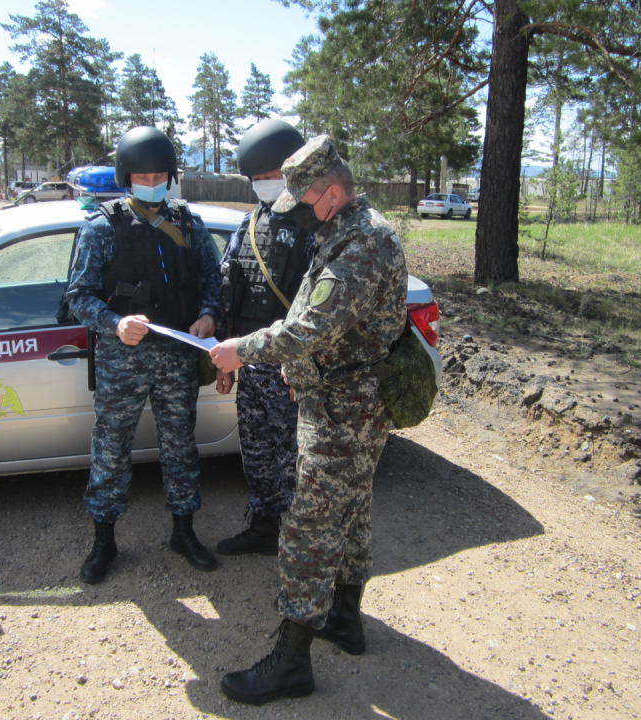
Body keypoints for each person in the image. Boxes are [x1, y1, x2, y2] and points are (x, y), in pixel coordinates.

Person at [210, 135, 408, 705]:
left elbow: (308, 330)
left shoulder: (364, 245)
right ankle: (344, 621)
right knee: (349, 512)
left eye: (304, 200)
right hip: (342, 400)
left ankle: (291, 661)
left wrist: (240, 350)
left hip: (346, 408)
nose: (296, 210)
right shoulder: (340, 231)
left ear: (333, 192)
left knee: (308, 527)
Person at [66, 126, 222, 584]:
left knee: (180, 447)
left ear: (170, 176)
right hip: (122, 362)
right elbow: (78, 296)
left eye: (159, 174)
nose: (151, 181)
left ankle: (183, 531)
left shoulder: (189, 225)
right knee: (110, 449)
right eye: (141, 174)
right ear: (126, 177)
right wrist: (115, 323)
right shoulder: (101, 228)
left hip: (177, 355)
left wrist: (209, 316)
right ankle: (104, 540)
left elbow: (214, 281)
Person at [214, 119, 314, 556]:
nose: (264, 186)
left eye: (271, 176)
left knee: (296, 459)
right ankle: (264, 525)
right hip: (251, 364)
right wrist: (224, 356)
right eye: (256, 179)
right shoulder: (248, 226)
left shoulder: (316, 228)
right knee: (256, 454)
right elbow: (229, 287)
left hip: (294, 369)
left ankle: (298, 539)